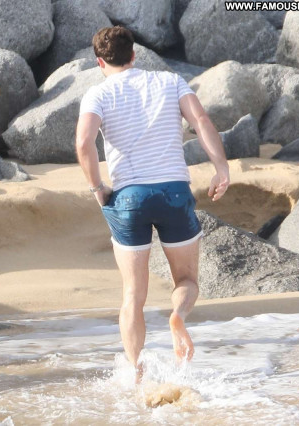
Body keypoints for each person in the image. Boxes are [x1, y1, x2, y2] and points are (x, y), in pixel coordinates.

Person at [76, 27, 230, 377]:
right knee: (187, 281)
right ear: (134, 55)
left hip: (129, 197)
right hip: (174, 192)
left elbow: (84, 142)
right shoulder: (170, 80)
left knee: (133, 293)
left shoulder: (98, 93)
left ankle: (136, 374)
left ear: (100, 62)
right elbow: (201, 120)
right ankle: (178, 317)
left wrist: (97, 187)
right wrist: (221, 167)